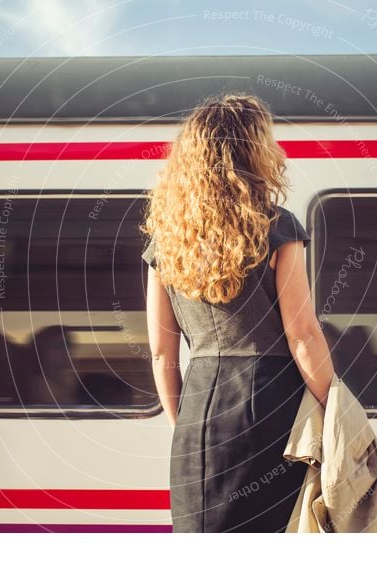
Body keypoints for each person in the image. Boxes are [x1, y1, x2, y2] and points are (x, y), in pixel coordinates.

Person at [140, 93, 335, 533]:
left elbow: (160, 352)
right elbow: (302, 334)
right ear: (254, 151)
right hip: (270, 401)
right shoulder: (277, 226)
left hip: (198, 408)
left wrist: (186, 429)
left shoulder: (167, 240)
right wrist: (335, 407)